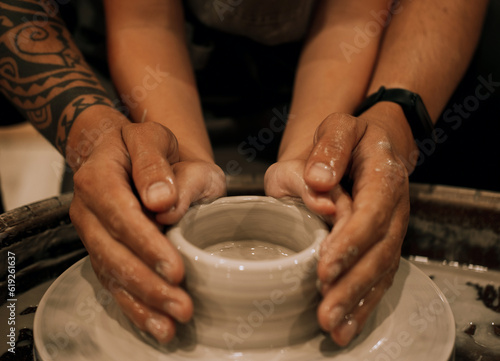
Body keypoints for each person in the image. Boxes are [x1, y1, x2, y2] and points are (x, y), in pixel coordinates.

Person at [0, 0, 488, 347]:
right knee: (123, 219)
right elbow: (146, 21)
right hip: (159, 77)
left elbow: (350, 19)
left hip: (352, 60)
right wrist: (177, 157)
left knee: (366, 213)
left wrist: (311, 157)